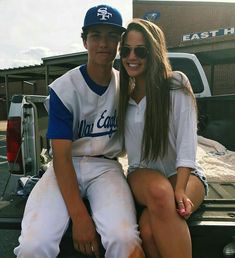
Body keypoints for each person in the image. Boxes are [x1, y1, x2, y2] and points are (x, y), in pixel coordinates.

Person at [14, 6, 145, 258]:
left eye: (111, 36)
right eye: (96, 35)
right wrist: (80, 217)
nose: (104, 43)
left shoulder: (126, 85)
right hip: (66, 164)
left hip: (106, 167)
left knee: (124, 239)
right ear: (84, 40)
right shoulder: (64, 88)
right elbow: (61, 157)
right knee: (33, 244)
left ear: (119, 42)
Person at [118, 18, 208, 258]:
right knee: (160, 193)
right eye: (126, 50)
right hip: (142, 173)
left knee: (148, 231)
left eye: (140, 50)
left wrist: (180, 187)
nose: (131, 56)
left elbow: (187, 141)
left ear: (154, 53)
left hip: (185, 176)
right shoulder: (120, 95)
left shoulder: (176, 84)